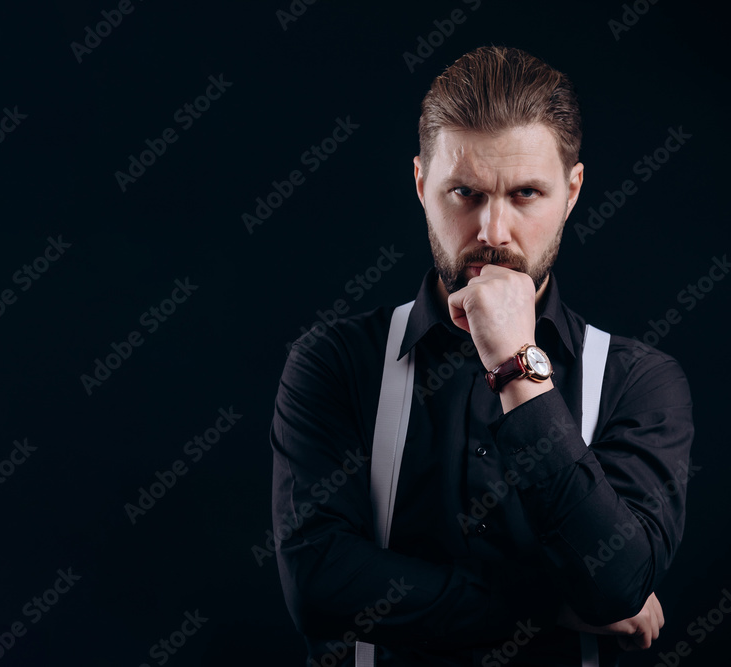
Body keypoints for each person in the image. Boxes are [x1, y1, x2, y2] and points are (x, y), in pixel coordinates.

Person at [269, 45, 694, 666]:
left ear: (572, 193)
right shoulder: (334, 362)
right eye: (465, 192)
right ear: (422, 185)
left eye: (526, 194)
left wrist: (516, 361)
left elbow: (618, 582)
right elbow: (319, 585)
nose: (493, 232)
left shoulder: (640, 381)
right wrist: (548, 606)